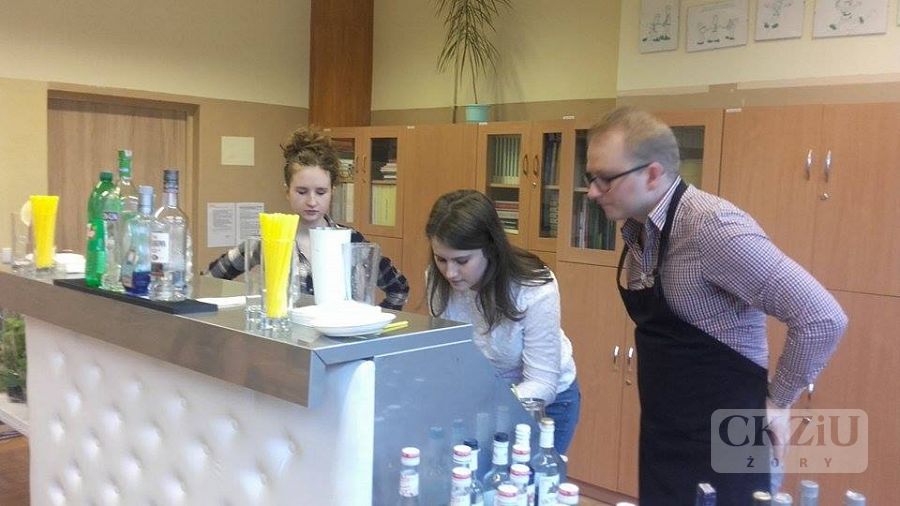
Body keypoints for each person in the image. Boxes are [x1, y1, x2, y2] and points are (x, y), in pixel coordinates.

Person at [585, 106, 848, 505]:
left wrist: (778, 403)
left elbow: (821, 317)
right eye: (590, 178)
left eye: (604, 179)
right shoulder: (639, 231)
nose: (592, 192)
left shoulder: (713, 228)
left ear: (652, 174)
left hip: (732, 442)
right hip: (666, 435)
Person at [425, 189, 580, 454]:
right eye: (441, 259)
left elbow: (542, 383)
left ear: (490, 249)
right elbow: (448, 358)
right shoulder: (437, 280)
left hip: (543, 403)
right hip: (479, 402)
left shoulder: (533, 286)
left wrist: (484, 406)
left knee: (527, 477)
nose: (450, 273)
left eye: (462, 261)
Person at [208, 126, 409, 310]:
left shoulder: (351, 240)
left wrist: (371, 323)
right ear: (287, 191)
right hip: (287, 335)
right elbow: (211, 279)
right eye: (302, 192)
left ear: (332, 191)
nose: (312, 201)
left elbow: (398, 288)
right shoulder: (268, 240)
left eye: (321, 192)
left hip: (337, 336)